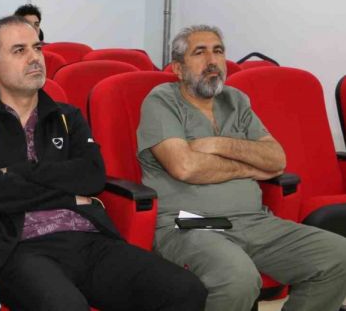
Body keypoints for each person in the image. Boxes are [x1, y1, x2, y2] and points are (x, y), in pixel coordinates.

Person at [0, 15, 207, 311]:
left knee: (186, 290)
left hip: (88, 237)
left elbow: (92, 176)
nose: (34, 58)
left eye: (37, 48)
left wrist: (22, 172)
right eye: (19, 50)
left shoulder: (67, 116)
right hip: (19, 247)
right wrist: (69, 196)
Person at [137, 25, 346, 311]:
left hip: (253, 220)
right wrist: (248, 166)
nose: (212, 60)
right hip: (190, 224)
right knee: (238, 279)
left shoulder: (235, 100)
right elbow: (185, 167)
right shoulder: (161, 100)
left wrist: (216, 144)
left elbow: (276, 160)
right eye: (200, 52)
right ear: (178, 68)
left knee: (338, 256)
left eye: (218, 51)